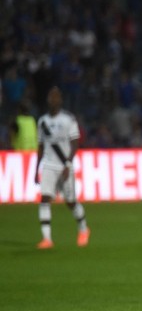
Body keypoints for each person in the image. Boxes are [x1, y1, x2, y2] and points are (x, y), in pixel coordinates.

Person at [35, 86, 90, 249]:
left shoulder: (69, 119)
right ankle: (47, 239)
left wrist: (68, 163)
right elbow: (40, 146)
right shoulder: (42, 121)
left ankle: (83, 229)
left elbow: (75, 143)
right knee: (45, 199)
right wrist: (35, 169)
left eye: (56, 96)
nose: (53, 99)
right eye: (51, 96)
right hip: (48, 165)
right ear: (48, 100)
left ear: (61, 100)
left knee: (70, 201)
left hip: (65, 165)